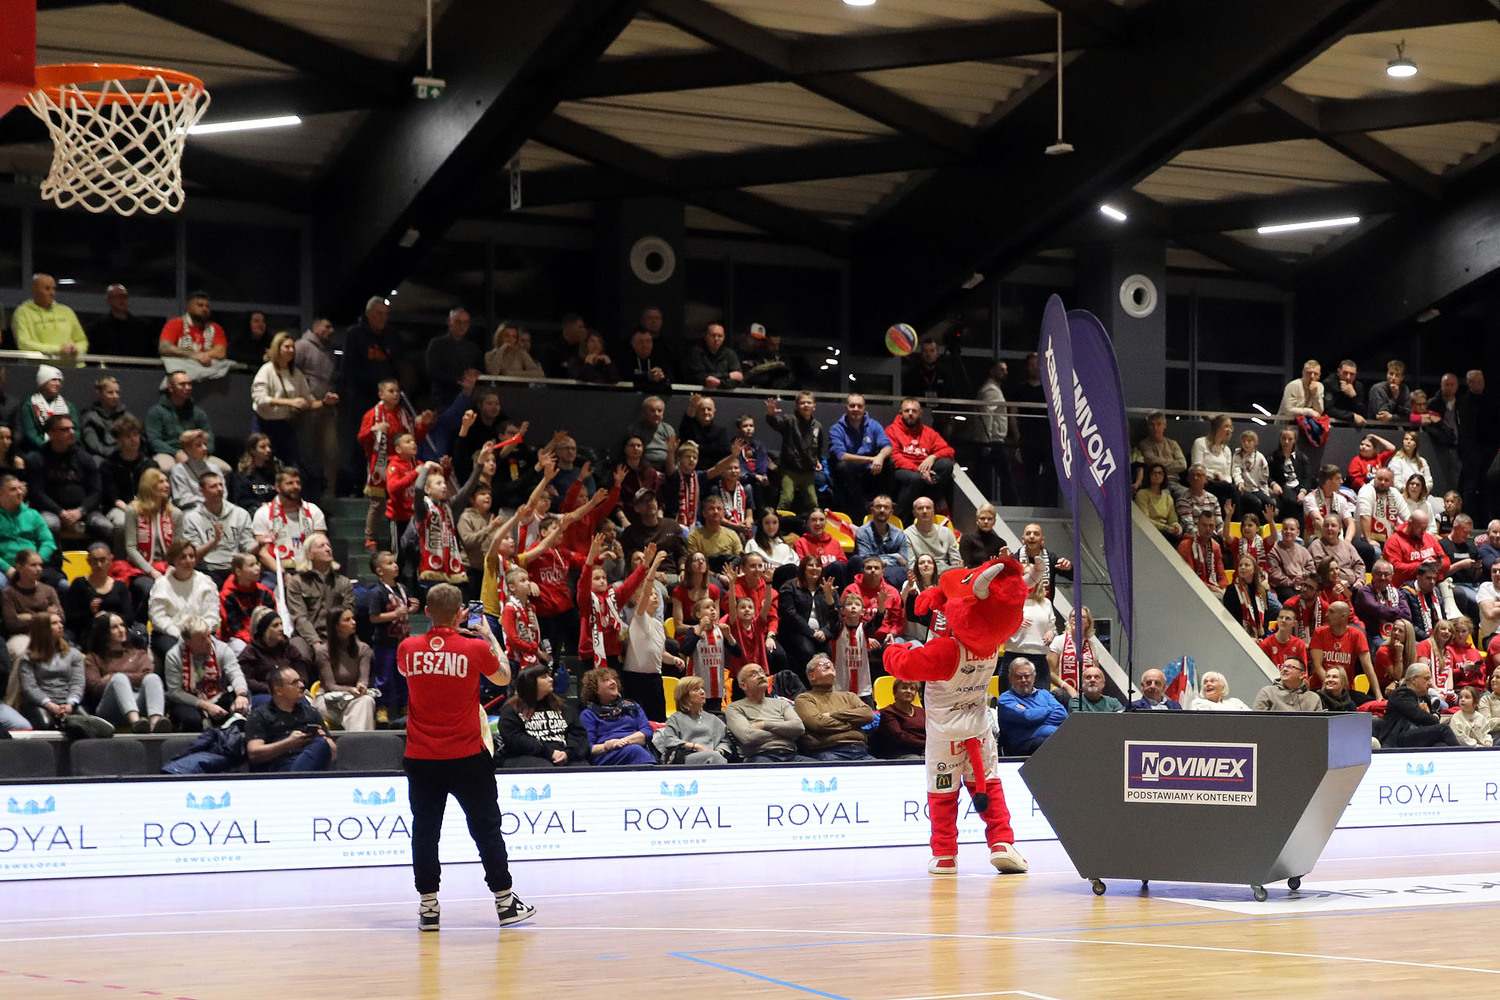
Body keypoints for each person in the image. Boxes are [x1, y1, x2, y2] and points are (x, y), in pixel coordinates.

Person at [396, 583, 535, 931]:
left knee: (425, 832)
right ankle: (505, 903)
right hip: (467, 755)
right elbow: (503, 678)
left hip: (422, 756)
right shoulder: (474, 648)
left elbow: (405, 674)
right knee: (486, 829)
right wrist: (488, 635)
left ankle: (428, 908)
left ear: (426, 612)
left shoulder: (408, 648)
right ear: (461, 613)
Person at [24, 412, 112, 542]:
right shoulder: (37, 459)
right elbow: (37, 493)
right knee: (50, 525)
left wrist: (81, 511)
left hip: (83, 511)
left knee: (106, 527)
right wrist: (60, 512)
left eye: (72, 428)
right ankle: (52, 556)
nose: (72, 432)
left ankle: (98, 554)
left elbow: (96, 491)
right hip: (50, 511)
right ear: (51, 433)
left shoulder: (85, 458)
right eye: (65, 429)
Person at [496, 662, 588, 768]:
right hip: (527, 756)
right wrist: (550, 753)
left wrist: (568, 753)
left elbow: (579, 734)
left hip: (563, 754)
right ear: (530, 682)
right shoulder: (512, 710)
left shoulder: (561, 707)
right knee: (545, 768)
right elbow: (515, 740)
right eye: (544, 677)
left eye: (549, 675)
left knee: (584, 768)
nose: (551, 679)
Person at [244, 665, 336, 772]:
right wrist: (288, 744)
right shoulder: (259, 715)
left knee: (320, 744)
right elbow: (254, 754)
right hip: (278, 770)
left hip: (310, 762)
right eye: (295, 683)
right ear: (279, 690)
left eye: (301, 681)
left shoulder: (311, 712)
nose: (302, 685)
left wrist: (322, 737)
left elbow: (334, 753)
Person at [84, 611, 165, 732]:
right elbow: (95, 686)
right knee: (119, 679)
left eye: (122, 625)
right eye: (114, 627)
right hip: (111, 708)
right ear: (103, 632)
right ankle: (136, 723)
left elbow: (147, 674)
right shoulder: (93, 658)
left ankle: (156, 724)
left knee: (153, 678)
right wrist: (118, 679)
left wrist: (111, 676)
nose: (121, 630)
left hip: (139, 701)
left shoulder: (138, 653)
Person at [163, 617, 249, 731]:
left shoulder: (222, 648)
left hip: (217, 696)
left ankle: (235, 723)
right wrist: (206, 706)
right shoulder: (173, 656)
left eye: (208, 636)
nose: (208, 641)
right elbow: (175, 692)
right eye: (202, 639)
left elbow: (235, 673)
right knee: (191, 720)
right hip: (189, 700)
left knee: (243, 695)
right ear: (188, 642)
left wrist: (241, 695)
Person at [284, 533, 355, 662]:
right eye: (321, 546)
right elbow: (300, 618)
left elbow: (347, 615)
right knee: (300, 653)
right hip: (306, 636)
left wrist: (335, 640)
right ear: (309, 555)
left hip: (337, 635)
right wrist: (316, 644)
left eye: (328, 545)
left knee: (362, 650)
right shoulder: (297, 582)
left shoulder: (344, 582)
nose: (328, 549)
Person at [148, 540, 220, 661]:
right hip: (170, 634)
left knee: (220, 651)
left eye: (191, 556)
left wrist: (198, 635)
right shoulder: (161, 584)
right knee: (176, 653)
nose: (188, 560)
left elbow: (212, 616)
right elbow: (158, 617)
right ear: (173, 560)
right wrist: (180, 635)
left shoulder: (206, 583)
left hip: (202, 634)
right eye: (183, 557)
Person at [293, 318, 340, 502]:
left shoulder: (329, 350)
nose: (331, 330)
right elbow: (292, 374)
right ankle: (305, 494)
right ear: (316, 327)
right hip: (308, 408)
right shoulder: (302, 346)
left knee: (331, 452)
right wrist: (303, 396)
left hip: (327, 408)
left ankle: (328, 493)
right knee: (307, 452)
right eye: (327, 326)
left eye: (332, 327)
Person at [725, 663, 812, 762]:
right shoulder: (734, 708)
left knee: (818, 767)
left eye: (762, 672)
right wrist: (785, 732)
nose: (761, 676)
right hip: (759, 755)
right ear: (743, 685)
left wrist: (764, 725)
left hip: (790, 754)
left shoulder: (781, 703)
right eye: (754, 674)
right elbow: (747, 737)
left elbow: (799, 728)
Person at [794, 654, 875, 760]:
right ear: (811, 676)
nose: (828, 666)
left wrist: (832, 714)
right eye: (822, 664)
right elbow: (818, 724)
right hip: (829, 752)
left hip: (861, 751)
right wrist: (853, 724)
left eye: (830, 664)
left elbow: (868, 714)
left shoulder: (849, 696)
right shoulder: (804, 698)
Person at [886, 398, 956, 520]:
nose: (910, 414)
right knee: (915, 478)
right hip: (902, 470)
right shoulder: (892, 430)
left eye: (914, 411)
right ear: (901, 413)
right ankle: (902, 518)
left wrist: (932, 457)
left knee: (946, 464)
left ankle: (927, 505)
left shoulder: (928, 432)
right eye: (907, 411)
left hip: (924, 469)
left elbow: (949, 451)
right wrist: (919, 470)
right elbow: (894, 456)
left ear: (920, 413)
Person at [181, 471, 255, 587]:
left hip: (235, 568)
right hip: (207, 569)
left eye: (221, 485)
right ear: (202, 490)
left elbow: (247, 547)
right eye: (213, 486)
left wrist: (260, 543)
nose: (220, 489)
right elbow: (193, 556)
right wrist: (214, 541)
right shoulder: (191, 518)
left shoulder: (240, 514)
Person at [252, 467, 328, 574]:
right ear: (277, 487)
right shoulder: (263, 513)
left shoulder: (313, 511)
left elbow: (321, 547)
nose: (295, 487)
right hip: (275, 570)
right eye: (290, 483)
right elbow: (263, 553)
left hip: (308, 569)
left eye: (298, 483)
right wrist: (283, 574)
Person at [828, 393, 893, 515]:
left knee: (888, 462)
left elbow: (888, 447)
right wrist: (872, 459)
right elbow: (841, 455)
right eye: (852, 406)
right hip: (849, 473)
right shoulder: (836, 429)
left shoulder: (873, 425)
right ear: (846, 408)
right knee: (843, 466)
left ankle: (884, 504)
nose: (856, 409)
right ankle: (864, 507)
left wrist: (880, 457)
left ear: (864, 408)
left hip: (870, 471)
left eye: (859, 406)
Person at [146, 371, 222, 474]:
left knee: (224, 468)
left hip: (197, 452)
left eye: (189, 384)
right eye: (182, 384)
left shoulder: (198, 412)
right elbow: (154, 440)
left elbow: (209, 436)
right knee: (166, 468)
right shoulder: (156, 411)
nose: (187, 387)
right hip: (169, 452)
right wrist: (175, 453)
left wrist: (205, 451)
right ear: (170, 387)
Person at [314, 608, 375, 731]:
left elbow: (363, 679)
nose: (353, 622)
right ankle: (359, 739)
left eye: (353, 618)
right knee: (359, 711)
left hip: (355, 700)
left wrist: (361, 686)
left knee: (366, 701)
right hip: (330, 702)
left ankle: (356, 739)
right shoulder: (322, 651)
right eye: (347, 620)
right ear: (335, 626)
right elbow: (330, 685)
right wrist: (350, 689)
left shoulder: (364, 649)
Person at [764, 393, 827, 512]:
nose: (806, 405)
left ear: (814, 406)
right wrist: (771, 414)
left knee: (813, 502)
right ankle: (780, 521)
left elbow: (818, 446)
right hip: (790, 470)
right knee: (786, 499)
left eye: (809, 402)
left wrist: (817, 460)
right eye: (802, 403)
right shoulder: (789, 421)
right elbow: (775, 422)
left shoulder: (817, 426)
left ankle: (813, 522)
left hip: (808, 471)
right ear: (797, 406)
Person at [62, 542, 135, 642]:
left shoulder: (120, 586)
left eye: (103, 560)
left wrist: (107, 617)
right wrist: (90, 612)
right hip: (87, 634)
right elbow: (69, 617)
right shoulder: (79, 584)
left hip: (116, 635)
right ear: (88, 561)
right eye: (95, 561)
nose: (99, 565)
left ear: (111, 560)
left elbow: (129, 617)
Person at [652, 675, 732, 765]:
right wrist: (695, 746)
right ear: (685, 695)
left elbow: (725, 741)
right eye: (696, 689)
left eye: (702, 688)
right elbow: (669, 740)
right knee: (714, 757)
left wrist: (720, 751)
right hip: (686, 757)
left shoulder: (713, 718)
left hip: (713, 755)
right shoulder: (675, 718)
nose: (702, 692)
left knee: (715, 756)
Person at [1376, 662, 1460, 747]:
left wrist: (1435, 716)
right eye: (1426, 679)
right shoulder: (1401, 694)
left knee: (1441, 745)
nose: (1430, 683)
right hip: (1399, 737)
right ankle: (1463, 754)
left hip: (1418, 735)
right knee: (1444, 729)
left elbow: (1432, 716)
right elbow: (1420, 716)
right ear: (1414, 679)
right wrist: (1434, 717)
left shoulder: (1424, 697)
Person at [995, 657, 1067, 756]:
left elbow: (1062, 714)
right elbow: (1027, 716)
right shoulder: (1005, 699)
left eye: (1027, 676)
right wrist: (1049, 709)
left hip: (1049, 740)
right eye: (1018, 677)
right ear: (1010, 678)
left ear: (1034, 676)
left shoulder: (1044, 694)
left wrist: (1033, 719)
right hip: (1020, 746)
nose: (1023, 680)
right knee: (1049, 744)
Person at [1, 548, 62, 660]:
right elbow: (12, 624)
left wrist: (29, 617)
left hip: (49, 634)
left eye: (40, 565)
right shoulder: (8, 593)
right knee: (22, 652)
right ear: (19, 567)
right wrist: (46, 615)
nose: (38, 569)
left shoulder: (48, 590)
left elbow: (61, 617)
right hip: (22, 636)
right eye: (33, 565)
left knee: (72, 653)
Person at [12, 273, 87, 360]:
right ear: (34, 289)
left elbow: (82, 340)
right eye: (47, 288)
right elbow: (24, 344)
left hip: (75, 366)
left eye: (53, 288)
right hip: (41, 366)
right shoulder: (23, 312)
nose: (52, 293)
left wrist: (76, 349)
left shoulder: (67, 311)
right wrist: (58, 350)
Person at [1309, 600, 1375, 693]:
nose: (1326, 615)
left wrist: (1378, 695)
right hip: (1320, 688)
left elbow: (1368, 667)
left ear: (1343, 616)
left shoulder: (1357, 634)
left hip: (1346, 690)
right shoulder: (1319, 632)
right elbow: (1317, 666)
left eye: (1331, 612)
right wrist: (1332, 685)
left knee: (1365, 700)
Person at [425, 308, 482, 408]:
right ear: (449, 322)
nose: (462, 326)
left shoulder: (473, 348)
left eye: (465, 323)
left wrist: (475, 374)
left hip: (468, 398)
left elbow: (479, 369)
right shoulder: (437, 344)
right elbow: (432, 371)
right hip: (443, 398)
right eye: (458, 322)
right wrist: (458, 380)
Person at [1047, 605, 1104, 700]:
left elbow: (1097, 675)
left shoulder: (1092, 646)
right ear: (1069, 621)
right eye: (1073, 616)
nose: (1076, 619)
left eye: (1082, 617)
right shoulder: (1058, 641)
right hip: (1062, 694)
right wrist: (1067, 687)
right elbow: (1049, 672)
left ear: (1088, 623)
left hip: (1087, 697)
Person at [18, 365, 79, 454]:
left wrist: (64, 446)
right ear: (43, 383)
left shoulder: (69, 406)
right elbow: (31, 433)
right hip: (38, 451)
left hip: (67, 451)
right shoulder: (29, 405)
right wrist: (49, 448)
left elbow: (76, 431)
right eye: (53, 380)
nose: (58, 384)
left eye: (59, 380)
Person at [86, 283, 156, 359]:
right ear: (109, 300)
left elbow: (150, 353)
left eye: (124, 296)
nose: (122, 300)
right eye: (117, 296)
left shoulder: (143, 327)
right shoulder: (97, 328)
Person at [854, 494, 910, 588]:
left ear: (891, 512)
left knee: (906, 573)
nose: (882, 510)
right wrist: (896, 557)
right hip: (871, 574)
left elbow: (904, 561)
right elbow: (867, 561)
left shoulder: (899, 534)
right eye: (878, 507)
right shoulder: (863, 532)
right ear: (872, 510)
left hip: (895, 572)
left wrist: (883, 560)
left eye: (886, 507)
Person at [1384, 509, 1448, 588]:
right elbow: (1395, 568)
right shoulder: (1394, 541)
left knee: (1455, 591)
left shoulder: (1429, 538)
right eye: (1420, 528)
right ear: (1410, 523)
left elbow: (1446, 560)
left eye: (1425, 528)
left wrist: (1440, 564)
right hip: (1405, 586)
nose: (1423, 532)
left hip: (1432, 584)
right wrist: (1422, 566)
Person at [78, 376, 130, 462]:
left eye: (117, 392)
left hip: (125, 455)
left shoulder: (126, 416)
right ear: (99, 394)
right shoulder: (90, 417)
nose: (115, 396)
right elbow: (93, 445)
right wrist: (115, 454)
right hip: (101, 457)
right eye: (110, 393)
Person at [905, 497, 961, 573]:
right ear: (914, 513)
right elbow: (911, 565)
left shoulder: (946, 532)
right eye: (920, 508)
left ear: (933, 511)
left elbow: (956, 561)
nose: (925, 511)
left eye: (928, 508)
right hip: (923, 574)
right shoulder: (907, 535)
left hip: (946, 573)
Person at [1178, 509, 1228, 594]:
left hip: (1215, 589)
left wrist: (1224, 589)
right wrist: (1213, 589)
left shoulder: (1216, 548)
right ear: (1198, 525)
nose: (1207, 529)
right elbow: (1190, 576)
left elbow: (1221, 575)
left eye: (1211, 526)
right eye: (1204, 525)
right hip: (1193, 590)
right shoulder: (1185, 546)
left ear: (1214, 527)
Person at [874, 678, 925, 759]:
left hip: (922, 749)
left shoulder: (921, 711)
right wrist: (926, 743)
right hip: (898, 752)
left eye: (912, 689)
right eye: (904, 688)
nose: (908, 691)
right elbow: (900, 737)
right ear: (895, 692)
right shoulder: (887, 712)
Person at [1223, 552, 1272, 638]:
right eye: (1240, 565)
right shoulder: (1232, 590)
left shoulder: (1262, 591)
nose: (1242, 567)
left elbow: (1266, 618)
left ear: (1254, 570)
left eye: (1247, 565)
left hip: (1260, 637)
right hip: (1240, 637)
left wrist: (1261, 638)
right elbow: (1232, 618)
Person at [1267, 517, 1315, 601]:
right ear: (1281, 532)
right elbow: (1274, 573)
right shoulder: (1274, 549)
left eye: (1292, 529)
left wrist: (1303, 576)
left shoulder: (1303, 550)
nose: (1288, 531)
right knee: (1296, 599)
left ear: (1297, 533)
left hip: (1303, 584)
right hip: (1284, 587)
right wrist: (1291, 582)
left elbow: (1312, 570)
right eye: (1285, 529)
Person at [1252, 655, 1322, 711]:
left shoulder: (1313, 698)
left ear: (1302, 675)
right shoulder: (1267, 692)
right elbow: (1256, 720)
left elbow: (1318, 723)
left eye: (1290, 667)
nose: (1284, 669)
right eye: (1283, 666)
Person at [686, 323, 742, 389]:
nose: (716, 339)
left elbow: (738, 378)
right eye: (713, 335)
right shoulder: (696, 352)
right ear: (705, 336)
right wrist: (729, 375)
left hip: (726, 393)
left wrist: (720, 383)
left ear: (724, 337)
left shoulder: (730, 354)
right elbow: (699, 377)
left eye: (720, 336)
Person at [1136, 462, 1180, 541]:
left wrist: (1177, 527)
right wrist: (1165, 528)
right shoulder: (1142, 494)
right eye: (1154, 473)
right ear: (1148, 475)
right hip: (1150, 531)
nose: (1157, 475)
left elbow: (1173, 520)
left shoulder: (1168, 497)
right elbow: (1145, 519)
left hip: (1167, 531)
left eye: (1160, 473)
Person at [961, 503, 1014, 568]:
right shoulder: (967, 540)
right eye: (982, 518)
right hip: (973, 573)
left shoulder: (1001, 543)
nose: (986, 521)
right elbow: (967, 567)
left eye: (990, 519)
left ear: (994, 521)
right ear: (977, 520)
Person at [1259, 606, 1310, 670]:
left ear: (1295, 623)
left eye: (1287, 618)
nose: (1283, 620)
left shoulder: (1299, 644)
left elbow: (1303, 671)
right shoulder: (1266, 644)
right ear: (1277, 620)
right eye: (1281, 617)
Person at [1322, 359, 1367, 427]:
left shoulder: (1358, 386)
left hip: (1353, 425)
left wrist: (1354, 396)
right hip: (1332, 424)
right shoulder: (1329, 383)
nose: (1348, 377)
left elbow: (1363, 412)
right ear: (1338, 372)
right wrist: (1352, 416)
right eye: (1345, 373)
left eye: (1352, 374)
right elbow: (1329, 410)